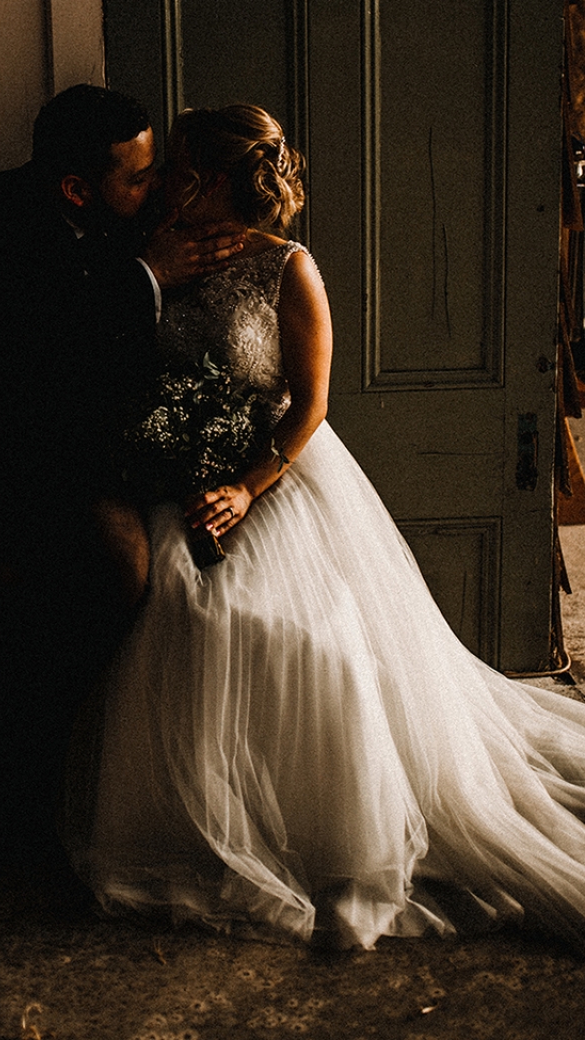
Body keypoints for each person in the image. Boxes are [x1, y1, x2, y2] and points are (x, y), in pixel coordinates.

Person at [62, 103, 585, 951]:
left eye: (183, 168)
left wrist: (243, 487)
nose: (166, 184)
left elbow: (308, 408)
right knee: (185, 614)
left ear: (224, 177)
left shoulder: (287, 268)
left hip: (271, 479)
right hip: (172, 484)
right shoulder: (146, 256)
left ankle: (338, 846)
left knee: (300, 633)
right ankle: (196, 831)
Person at [0, 84, 244, 875]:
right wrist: (142, 279)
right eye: (136, 176)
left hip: (72, 463)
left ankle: (22, 754)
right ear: (76, 186)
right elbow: (14, 348)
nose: (155, 187)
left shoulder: (145, 224)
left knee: (121, 566)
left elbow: (121, 366)